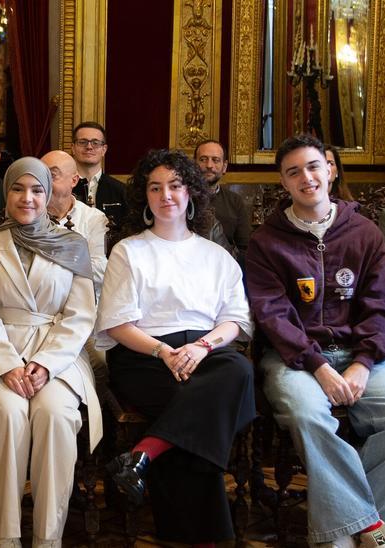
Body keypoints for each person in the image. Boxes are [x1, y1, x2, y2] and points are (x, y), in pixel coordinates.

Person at [246, 135, 385, 548]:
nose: (306, 178)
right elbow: (273, 316)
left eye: (313, 167)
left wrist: (363, 362)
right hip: (293, 359)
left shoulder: (365, 233)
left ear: (329, 170)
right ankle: (369, 530)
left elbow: (384, 306)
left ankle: (343, 529)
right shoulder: (266, 241)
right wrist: (319, 366)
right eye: (293, 172)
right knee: (309, 416)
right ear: (283, 182)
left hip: (363, 353)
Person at [100, 149, 254, 544]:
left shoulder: (216, 255)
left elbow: (235, 321)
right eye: (155, 188)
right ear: (144, 197)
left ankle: (143, 455)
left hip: (206, 352)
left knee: (238, 369)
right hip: (144, 355)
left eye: (175, 185)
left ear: (191, 193)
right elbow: (117, 324)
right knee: (203, 412)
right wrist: (163, 352)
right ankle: (209, 540)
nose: (165, 195)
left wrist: (202, 347)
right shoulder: (128, 250)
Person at [0, 157, 101, 548]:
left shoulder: (74, 245)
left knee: (55, 415)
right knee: (7, 415)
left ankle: (47, 538)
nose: (28, 198)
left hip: (59, 355)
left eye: (37, 190)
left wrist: (45, 363)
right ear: (6, 194)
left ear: (48, 193)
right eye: (18, 189)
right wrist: (7, 366)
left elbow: (80, 315)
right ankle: (6, 538)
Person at [42, 150, 108, 291]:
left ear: (74, 180)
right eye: (41, 176)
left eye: (52, 175)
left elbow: (100, 271)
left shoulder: (94, 218)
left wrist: (53, 268)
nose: (43, 183)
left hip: (83, 297)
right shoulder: (28, 216)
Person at [194, 139, 251, 261]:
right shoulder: (181, 198)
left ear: (224, 167)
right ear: (194, 164)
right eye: (203, 159)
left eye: (215, 160)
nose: (209, 165)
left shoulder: (235, 201)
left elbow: (245, 247)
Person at [70, 121, 126, 222]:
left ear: (104, 149)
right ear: (73, 148)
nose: (89, 147)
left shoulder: (122, 191)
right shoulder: (62, 189)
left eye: (95, 143)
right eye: (82, 142)